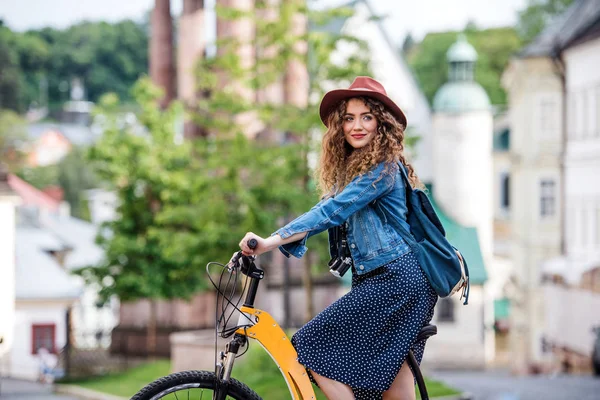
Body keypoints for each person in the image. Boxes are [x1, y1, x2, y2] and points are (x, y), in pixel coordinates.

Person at [236, 76, 437, 400]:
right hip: (395, 281)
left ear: (381, 124)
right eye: (349, 118)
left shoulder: (383, 168)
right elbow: (327, 205)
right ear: (339, 126)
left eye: (366, 117)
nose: (356, 125)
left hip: (396, 280)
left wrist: (271, 240)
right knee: (395, 392)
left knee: (312, 347)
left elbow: (334, 210)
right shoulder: (357, 171)